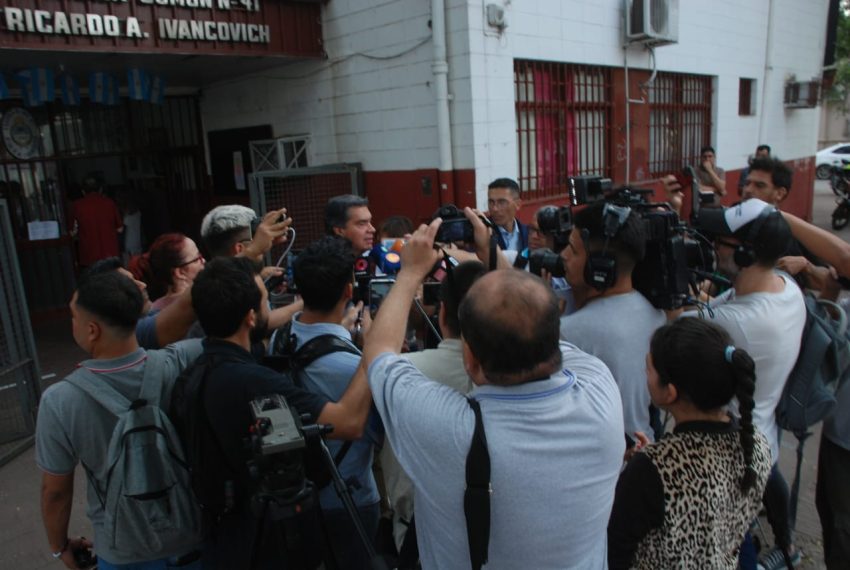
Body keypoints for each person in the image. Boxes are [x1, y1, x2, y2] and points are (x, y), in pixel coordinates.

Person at [363, 219, 624, 569]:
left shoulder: (444, 428)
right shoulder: (601, 394)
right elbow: (534, 321)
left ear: (469, 359)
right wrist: (491, 254)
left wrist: (410, 273)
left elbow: (378, 352)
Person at [183, 256, 375, 568]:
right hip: (262, 542)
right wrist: (373, 351)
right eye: (265, 301)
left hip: (221, 535)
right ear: (250, 317)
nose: (270, 309)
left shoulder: (198, 370)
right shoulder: (252, 381)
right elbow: (348, 423)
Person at [36, 270, 204, 569]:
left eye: (73, 317)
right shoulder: (181, 361)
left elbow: (56, 492)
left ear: (92, 330)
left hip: (122, 552)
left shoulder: (59, 400)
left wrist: (59, 546)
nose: (71, 323)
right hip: (191, 541)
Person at [686, 198, 807, 569]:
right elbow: (717, 305)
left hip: (731, 460)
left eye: (720, 241)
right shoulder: (786, 289)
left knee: (729, 546)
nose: (712, 246)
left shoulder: (740, 324)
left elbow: (679, 329)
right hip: (761, 441)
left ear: (745, 254)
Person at [607, 318, 771, 569]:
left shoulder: (652, 470)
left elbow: (615, 551)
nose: (645, 375)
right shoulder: (757, 442)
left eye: (648, 369)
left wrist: (646, 467)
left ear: (669, 392)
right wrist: (653, 459)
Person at [379, 259, 486, 551]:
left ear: (443, 313)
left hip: (415, 536)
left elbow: (377, 358)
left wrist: (409, 276)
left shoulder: (402, 372)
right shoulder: (520, 376)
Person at [289, 236, 382, 569]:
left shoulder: (279, 339)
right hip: (350, 498)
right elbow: (379, 432)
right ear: (348, 290)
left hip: (297, 494)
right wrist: (373, 349)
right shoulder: (353, 367)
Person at [559, 201, 667, 442]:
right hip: (644, 441)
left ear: (600, 267)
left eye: (573, 250)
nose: (563, 255)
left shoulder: (569, 332)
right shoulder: (656, 314)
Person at [86, 257, 197, 350]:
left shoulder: (153, 313)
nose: (143, 285)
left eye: (135, 279)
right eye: (129, 284)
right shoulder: (131, 334)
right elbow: (186, 306)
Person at [129, 233, 205, 311]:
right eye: (197, 259)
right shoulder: (199, 306)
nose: (203, 260)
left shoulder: (154, 308)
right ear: (179, 273)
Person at [70, 175, 124, 268]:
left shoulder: (77, 206)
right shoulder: (109, 203)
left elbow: (72, 232)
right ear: (100, 189)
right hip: (110, 253)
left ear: (83, 191)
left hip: (89, 256)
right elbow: (120, 229)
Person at [486, 178, 528, 251]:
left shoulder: (528, 233)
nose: (495, 209)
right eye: (491, 202)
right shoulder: (482, 233)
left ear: (518, 204)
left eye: (502, 202)